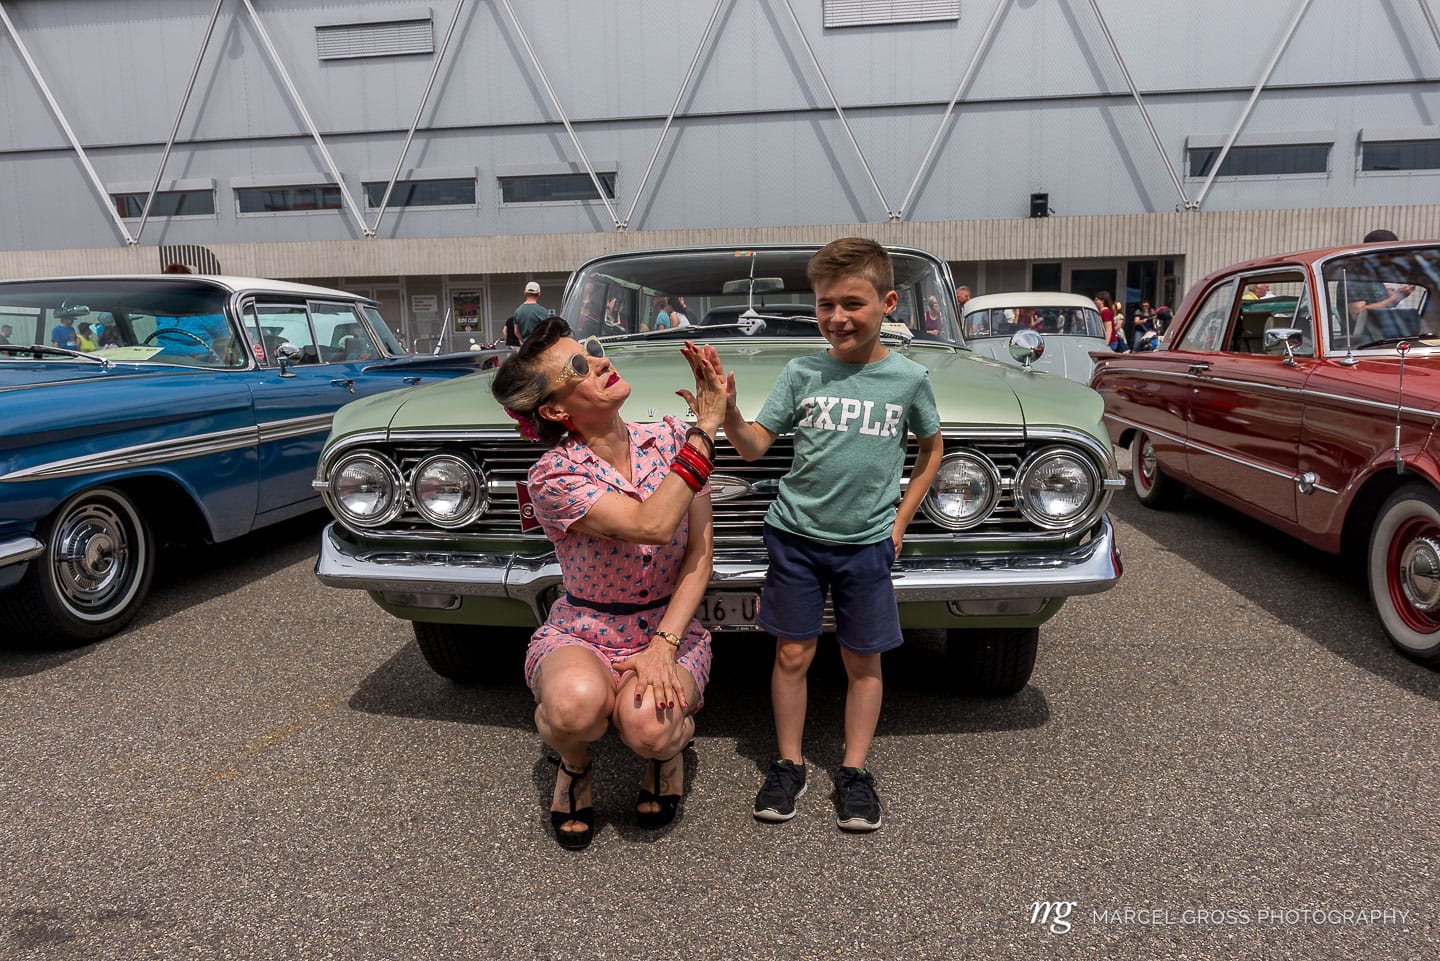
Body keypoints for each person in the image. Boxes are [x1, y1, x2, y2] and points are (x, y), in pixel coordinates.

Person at [721, 237, 943, 833]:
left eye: (853, 303)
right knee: (792, 653)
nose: (837, 318)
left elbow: (931, 448)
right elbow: (754, 447)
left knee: (863, 660)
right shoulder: (802, 372)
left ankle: (854, 770)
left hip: (867, 542)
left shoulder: (908, 379)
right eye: (825, 305)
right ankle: (788, 762)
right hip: (794, 536)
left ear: (887, 304)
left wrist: (901, 521)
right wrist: (731, 413)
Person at [490, 317, 729, 850]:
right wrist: (706, 429)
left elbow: (699, 555)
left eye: (593, 349)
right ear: (556, 411)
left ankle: (667, 756)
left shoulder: (672, 439)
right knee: (572, 709)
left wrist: (664, 645)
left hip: (667, 625)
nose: (600, 361)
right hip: (584, 629)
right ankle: (574, 763)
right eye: (579, 365)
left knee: (650, 729)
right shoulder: (554, 476)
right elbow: (653, 525)